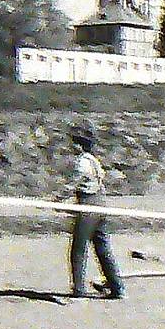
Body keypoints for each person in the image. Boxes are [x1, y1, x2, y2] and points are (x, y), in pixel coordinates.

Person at [63, 125, 125, 299]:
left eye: (74, 143)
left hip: (89, 207)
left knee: (78, 249)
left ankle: (79, 289)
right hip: (101, 204)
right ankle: (117, 288)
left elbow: (73, 184)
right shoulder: (93, 160)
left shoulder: (82, 162)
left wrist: (56, 200)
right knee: (103, 248)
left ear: (79, 145)